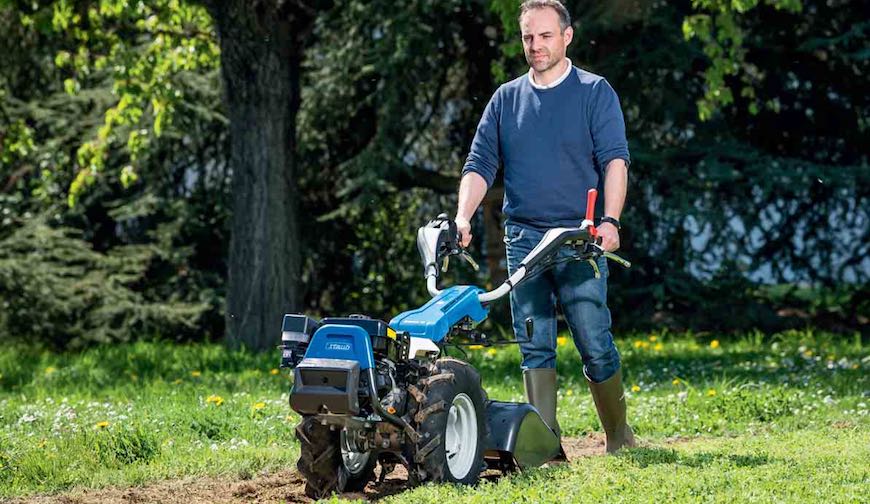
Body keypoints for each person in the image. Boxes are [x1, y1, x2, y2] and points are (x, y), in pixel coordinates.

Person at [454, 0, 635, 453]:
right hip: (524, 238)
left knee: (594, 339)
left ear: (567, 36)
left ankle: (618, 435)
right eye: (528, 37)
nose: (536, 46)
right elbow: (479, 164)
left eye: (545, 36)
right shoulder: (506, 99)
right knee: (534, 343)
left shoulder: (594, 92)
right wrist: (462, 215)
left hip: (580, 239)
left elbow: (615, 160)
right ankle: (548, 449)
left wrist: (610, 220)